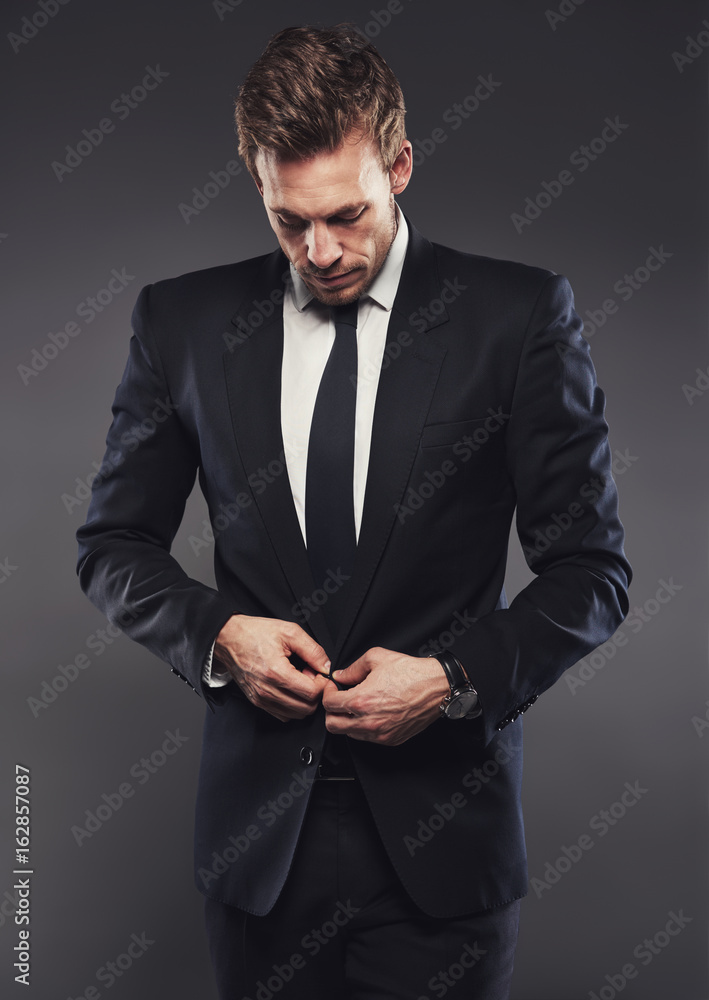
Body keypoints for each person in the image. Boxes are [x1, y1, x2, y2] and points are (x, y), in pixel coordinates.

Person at [76, 23, 631, 1000]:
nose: (321, 251)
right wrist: (217, 635)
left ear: (402, 165)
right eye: (289, 220)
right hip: (257, 856)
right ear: (255, 182)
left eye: (346, 214)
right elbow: (113, 545)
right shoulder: (184, 322)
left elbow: (593, 572)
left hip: (442, 849)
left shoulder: (517, 316)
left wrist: (454, 678)